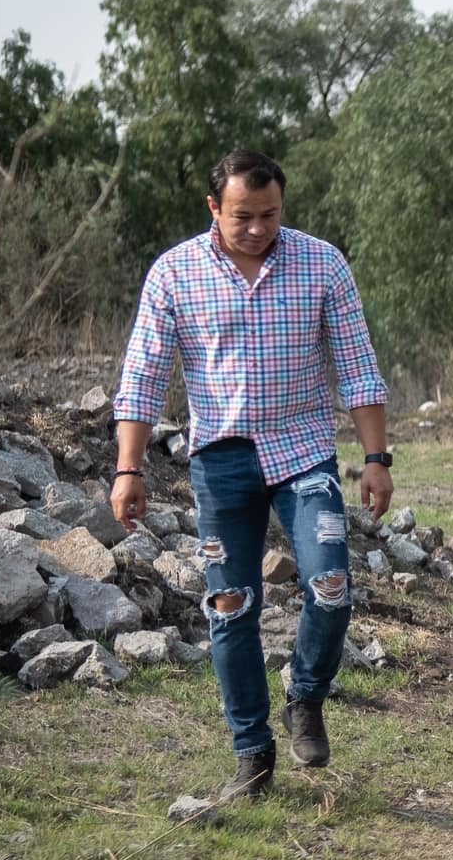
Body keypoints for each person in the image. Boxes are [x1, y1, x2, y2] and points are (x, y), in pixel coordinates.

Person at [111, 150, 392, 801]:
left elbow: (357, 364)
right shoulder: (174, 274)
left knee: (329, 583)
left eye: (270, 214)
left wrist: (376, 459)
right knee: (230, 606)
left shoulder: (321, 263)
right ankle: (252, 752)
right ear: (214, 208)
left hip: (304, 456)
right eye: (243, 216)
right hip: (222, 461)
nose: (259, 228)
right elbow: (144, 377)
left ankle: (306, 697)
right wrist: (129, 468)